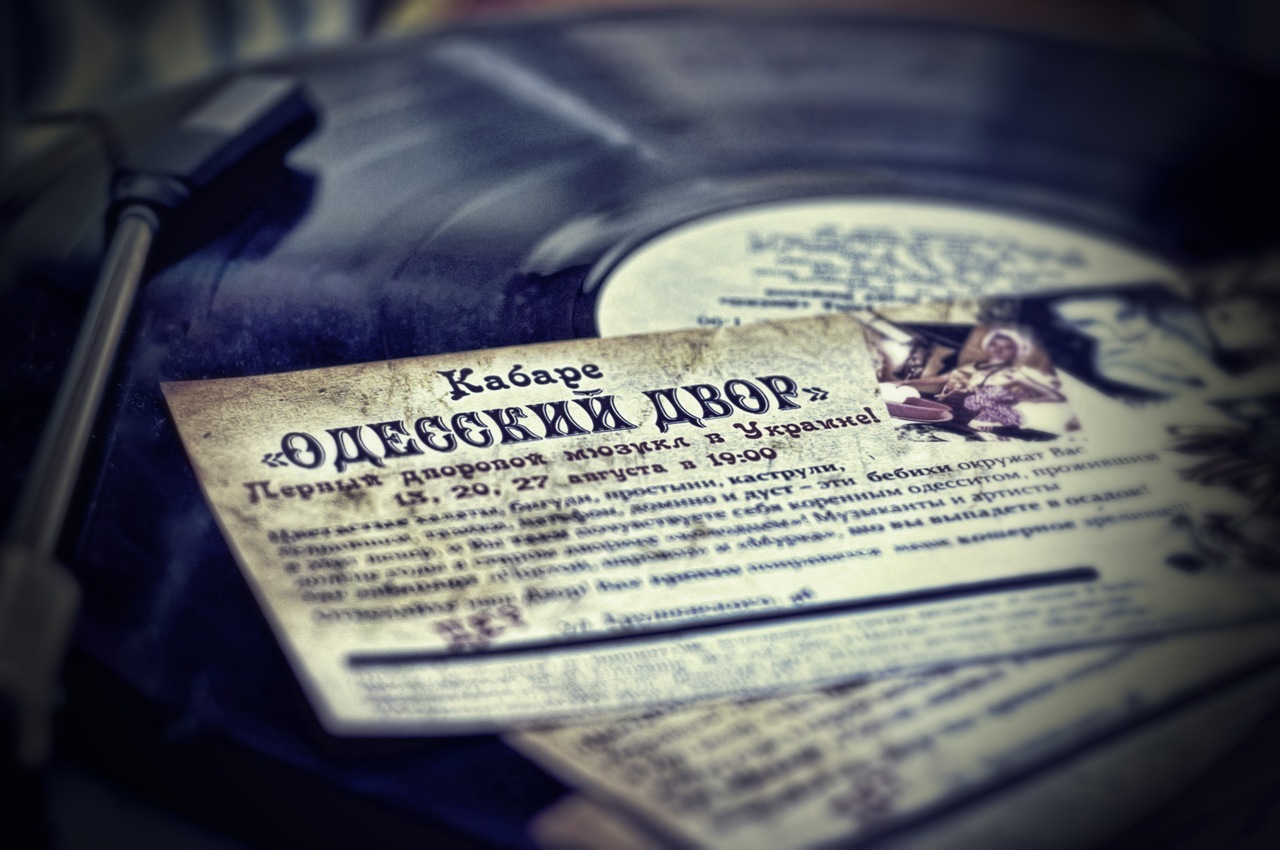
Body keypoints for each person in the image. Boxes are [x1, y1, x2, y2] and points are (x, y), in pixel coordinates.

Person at [902, 329, 1064, 431]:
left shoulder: (1015, 374)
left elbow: (1055, 396)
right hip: (946, 409)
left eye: (1007, 347)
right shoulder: (974, 366)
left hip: (971, 420)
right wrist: (905, 382)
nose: (999, 350)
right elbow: (943, 378)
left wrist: (1020, 399)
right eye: (995, 345)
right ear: (988, 346)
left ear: (1014, 351)